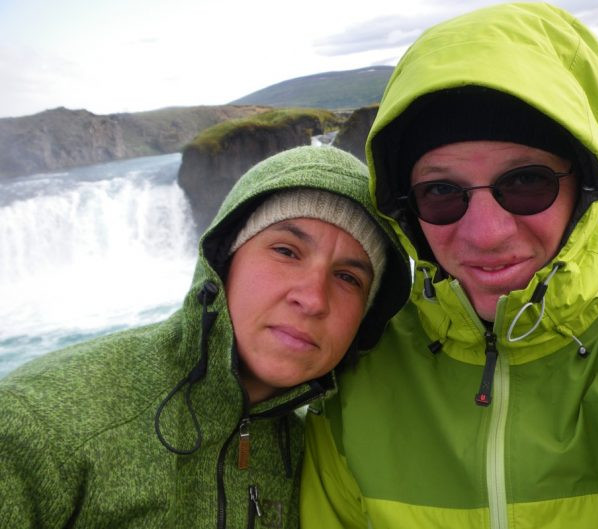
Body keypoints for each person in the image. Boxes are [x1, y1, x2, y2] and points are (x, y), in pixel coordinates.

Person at [300, 3, 598, 528]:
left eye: (525, 182)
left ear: (583, 189)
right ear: (408, 210)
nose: (486, 234)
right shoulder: (355, 374)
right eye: (441, 191)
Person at [0, 145, 410, 529]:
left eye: (347, 277)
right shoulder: (34, 427)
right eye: (286, 251)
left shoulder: (327, 456)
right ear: (223, 263)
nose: (313, 298)